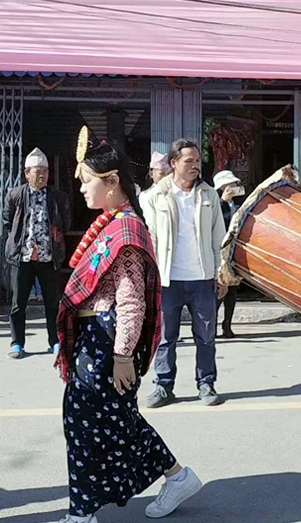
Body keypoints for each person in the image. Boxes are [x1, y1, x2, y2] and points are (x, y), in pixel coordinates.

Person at [54, 133, 203, 523]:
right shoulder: (111, 225)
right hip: (96, 339)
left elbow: (132, 300)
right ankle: (177, 476)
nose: (82, 188)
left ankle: (83, 511)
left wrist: (122, 356)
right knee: (109, 420)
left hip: (108, 343)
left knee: (91, 421)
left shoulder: (126, 231)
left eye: (87, 180)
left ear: (112, 180)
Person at [141, 139, 227, 408]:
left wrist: (221, 273)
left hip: (202, 279)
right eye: (189, 161)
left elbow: (219, 239)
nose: (195, 166)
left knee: (206, 336)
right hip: (169, 280)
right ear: (174, 163)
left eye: (198, 161)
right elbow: (152, 238)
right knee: (166, 337)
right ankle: (163, 387)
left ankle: (206, 384)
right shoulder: (156, 195)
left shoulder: (209, 195)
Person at [3, 148, 70, 359]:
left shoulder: (58, 197)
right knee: (18, 303)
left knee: (52, 302)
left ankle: (55, 341)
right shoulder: (15, 195)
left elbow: (65, 222)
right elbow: (8, 222)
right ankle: (17, 343)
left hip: (48, 256)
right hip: (22, 257)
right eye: (37, 171)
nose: (42, 175)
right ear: (26, 173)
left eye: (45, 171)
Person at [212, 170, 241, 339]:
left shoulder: (237, 203)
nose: (234, 187)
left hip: (234, 251)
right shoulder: (215, 202)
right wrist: (223, 202)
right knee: (220, 289)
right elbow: (218, 222)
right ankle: (212, 324)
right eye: (231, 184)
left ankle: (227, 324)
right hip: (220, 250)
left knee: (232, 291)